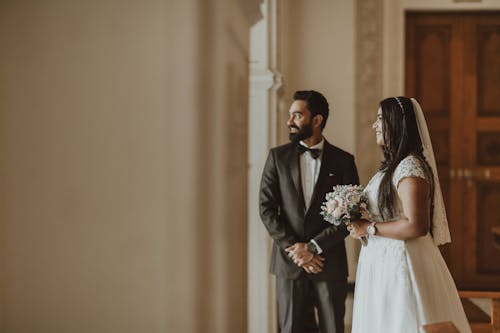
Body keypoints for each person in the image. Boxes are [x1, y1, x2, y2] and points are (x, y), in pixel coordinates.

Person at [348, 96, 471, 333]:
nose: (374, 125)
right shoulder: (392, 167)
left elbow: (416, 226)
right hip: (382, 259)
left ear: (397, 123)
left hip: (402, 260)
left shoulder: (409, 167)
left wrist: (369, 228)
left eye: (381, 119)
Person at [259, 90, 359, 333]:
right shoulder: (277, 158)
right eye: (290, 116)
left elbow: (351, 215)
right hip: (289, 262)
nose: (289, 121)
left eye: (297, 115)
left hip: (329, 261)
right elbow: (267, 208)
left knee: (332, 328)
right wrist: (297, 250)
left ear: (317, 120)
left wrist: (314, 247)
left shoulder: (344, 161)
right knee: (290, 328)